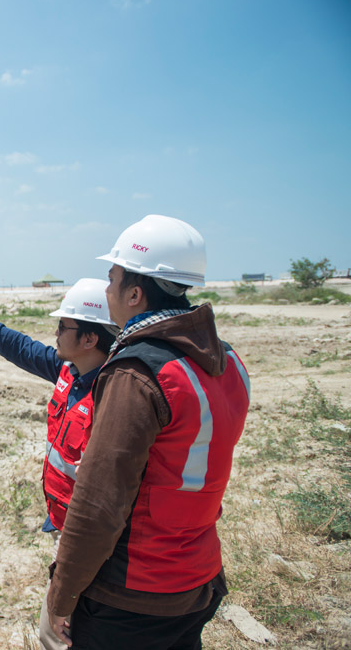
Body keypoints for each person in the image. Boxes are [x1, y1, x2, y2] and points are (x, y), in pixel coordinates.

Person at [47, 215, 251, 650]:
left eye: (112, 278)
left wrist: (60, 596)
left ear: (135, 293)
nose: (106, 291)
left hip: (132, 595)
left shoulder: (139, 372)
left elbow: (99, 503)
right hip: (197, 577)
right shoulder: (228, 361)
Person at [0, 279, 117, 650]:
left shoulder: (112, 394)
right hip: (66, 524)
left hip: (88, 536)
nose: (56, 333)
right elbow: (17, 345)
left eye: (64, 327)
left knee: (56, 633)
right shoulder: (69, 371)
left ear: (90, 339)